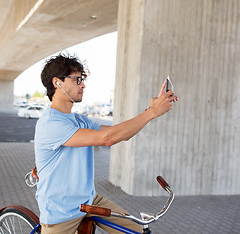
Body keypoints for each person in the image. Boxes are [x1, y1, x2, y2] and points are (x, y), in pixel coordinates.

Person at [34, 53, 178, 234]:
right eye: (77, 80)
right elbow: (107, 139)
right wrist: (151, 113)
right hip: (60, 211)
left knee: (139, 232)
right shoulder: (50, 123)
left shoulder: (80, 120)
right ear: (57, 82)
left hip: (88, 201)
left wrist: (151, 111)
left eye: (82, 79)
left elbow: (118, 134)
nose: (83, 84)